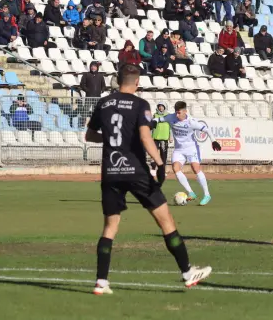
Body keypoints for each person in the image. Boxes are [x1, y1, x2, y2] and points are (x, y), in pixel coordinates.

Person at [85, 67, 212, 295]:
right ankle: (187, 272)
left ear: (118, 81)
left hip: (111, 170)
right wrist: (160, 163)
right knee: (166, 221)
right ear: (136, 83)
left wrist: (114, 140)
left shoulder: (103, 103)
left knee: (110, 227)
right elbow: (145, 137)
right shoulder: (140, 104)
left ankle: (101, 282)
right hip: (136, 170)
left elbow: (90, 135)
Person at [152, 100, 221, 206]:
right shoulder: (171, 117)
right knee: (176, 169)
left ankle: (207, 194)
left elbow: (206, 129)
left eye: (179, 112)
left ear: (185, 111)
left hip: (192, 149)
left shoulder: (191, 122)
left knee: (195, 168)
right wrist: (153, 122)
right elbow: (159, 119)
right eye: (176, 112)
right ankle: (191, 193)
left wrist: (214, 141)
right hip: (179, 150)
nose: (177, 114)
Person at [151, 103, 171, 185]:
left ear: (164, 107)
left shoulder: (168, 115)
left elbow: (171, 126)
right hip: (156, 137)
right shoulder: (155, 115)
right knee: (154, 153)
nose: (160, 107)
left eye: (162, 106)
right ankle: (153, 169)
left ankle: (162, 171)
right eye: (159, 106)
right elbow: (152, 126)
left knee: (164, 155)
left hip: (164, 137)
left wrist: (171, 136)